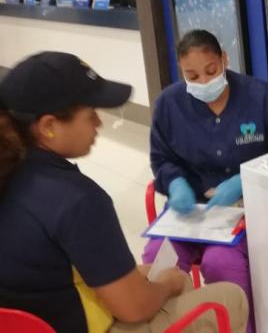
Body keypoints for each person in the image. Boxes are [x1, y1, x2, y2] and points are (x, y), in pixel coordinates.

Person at [0, 52, 249, 333]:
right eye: (90, 114)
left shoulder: (11, 175)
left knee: (155, 277)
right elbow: (135, 308)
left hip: (32, 321)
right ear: (48, 126)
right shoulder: (77, 199)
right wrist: (169, 284)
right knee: (228, 298)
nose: (98, 124)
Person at [143, 30, 268, 333]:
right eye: (192, 76)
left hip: (246, 209)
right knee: (156, 259)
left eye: (211, 71)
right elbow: (161, 159)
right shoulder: (169, 105)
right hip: (190, 212)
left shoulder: (262, 97)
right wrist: (175, 183)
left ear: (224, 59)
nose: (203, 82)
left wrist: (245, 179)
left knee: (221, 263)